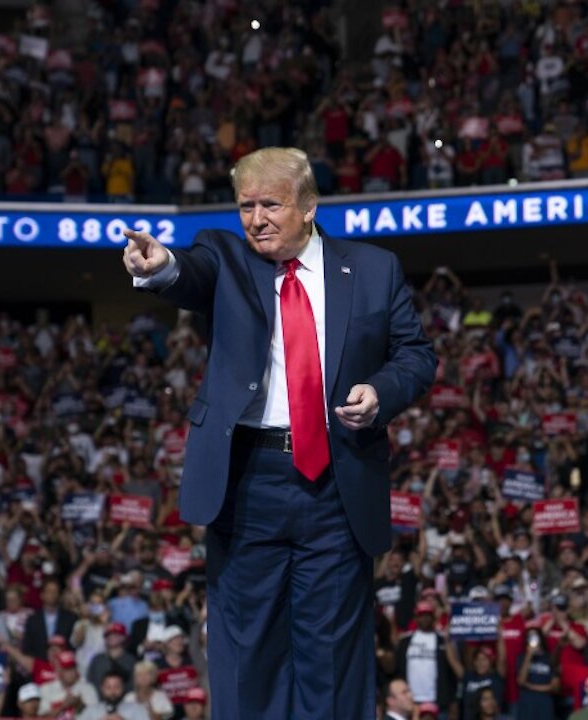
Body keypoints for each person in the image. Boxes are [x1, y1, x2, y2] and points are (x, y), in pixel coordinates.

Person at [123, 146, 437, 718]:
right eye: (246, 206)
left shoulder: (372, 268)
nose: (256, 219)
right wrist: (159, 265)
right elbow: (187, 272)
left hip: (337, 481)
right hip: (248, 483)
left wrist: (381, 392)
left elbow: (416, 355)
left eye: (271, 204)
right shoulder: (226, 257)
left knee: (334, 656)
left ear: (309, 206)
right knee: (248, 653)